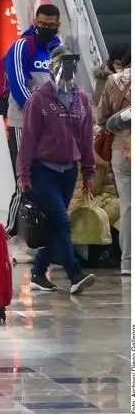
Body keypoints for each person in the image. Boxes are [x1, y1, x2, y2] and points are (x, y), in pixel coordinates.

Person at [16, 47, 96, 294]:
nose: (67, 69)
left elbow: (86, 138)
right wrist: (24, 173)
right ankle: (74, 273)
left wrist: (88, 171)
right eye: (62, 63)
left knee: (54, 225)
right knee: (61, 222)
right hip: (43, 170)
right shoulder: (39, 98)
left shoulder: (81, 98)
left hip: (69, 170)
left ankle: (38, 273)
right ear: (51, 66)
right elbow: (28, 138)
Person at [5, 4, 62, 263]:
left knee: (44, 182)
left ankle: (36, 237)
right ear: (35, 21)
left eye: (52, 25)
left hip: (53, 127)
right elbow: (19, 86)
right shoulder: (21, 47)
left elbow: (67, 86)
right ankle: (12, 236)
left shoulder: (59, 49)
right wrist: (41, 114)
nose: (47, 29)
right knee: (24, 179)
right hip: (23, 124)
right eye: (43, 24)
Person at [97, 48, 131, 275]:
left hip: (122, 149)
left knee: (129, 206)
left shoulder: (113, 80)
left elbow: (102, 118)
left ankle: (128, 262)